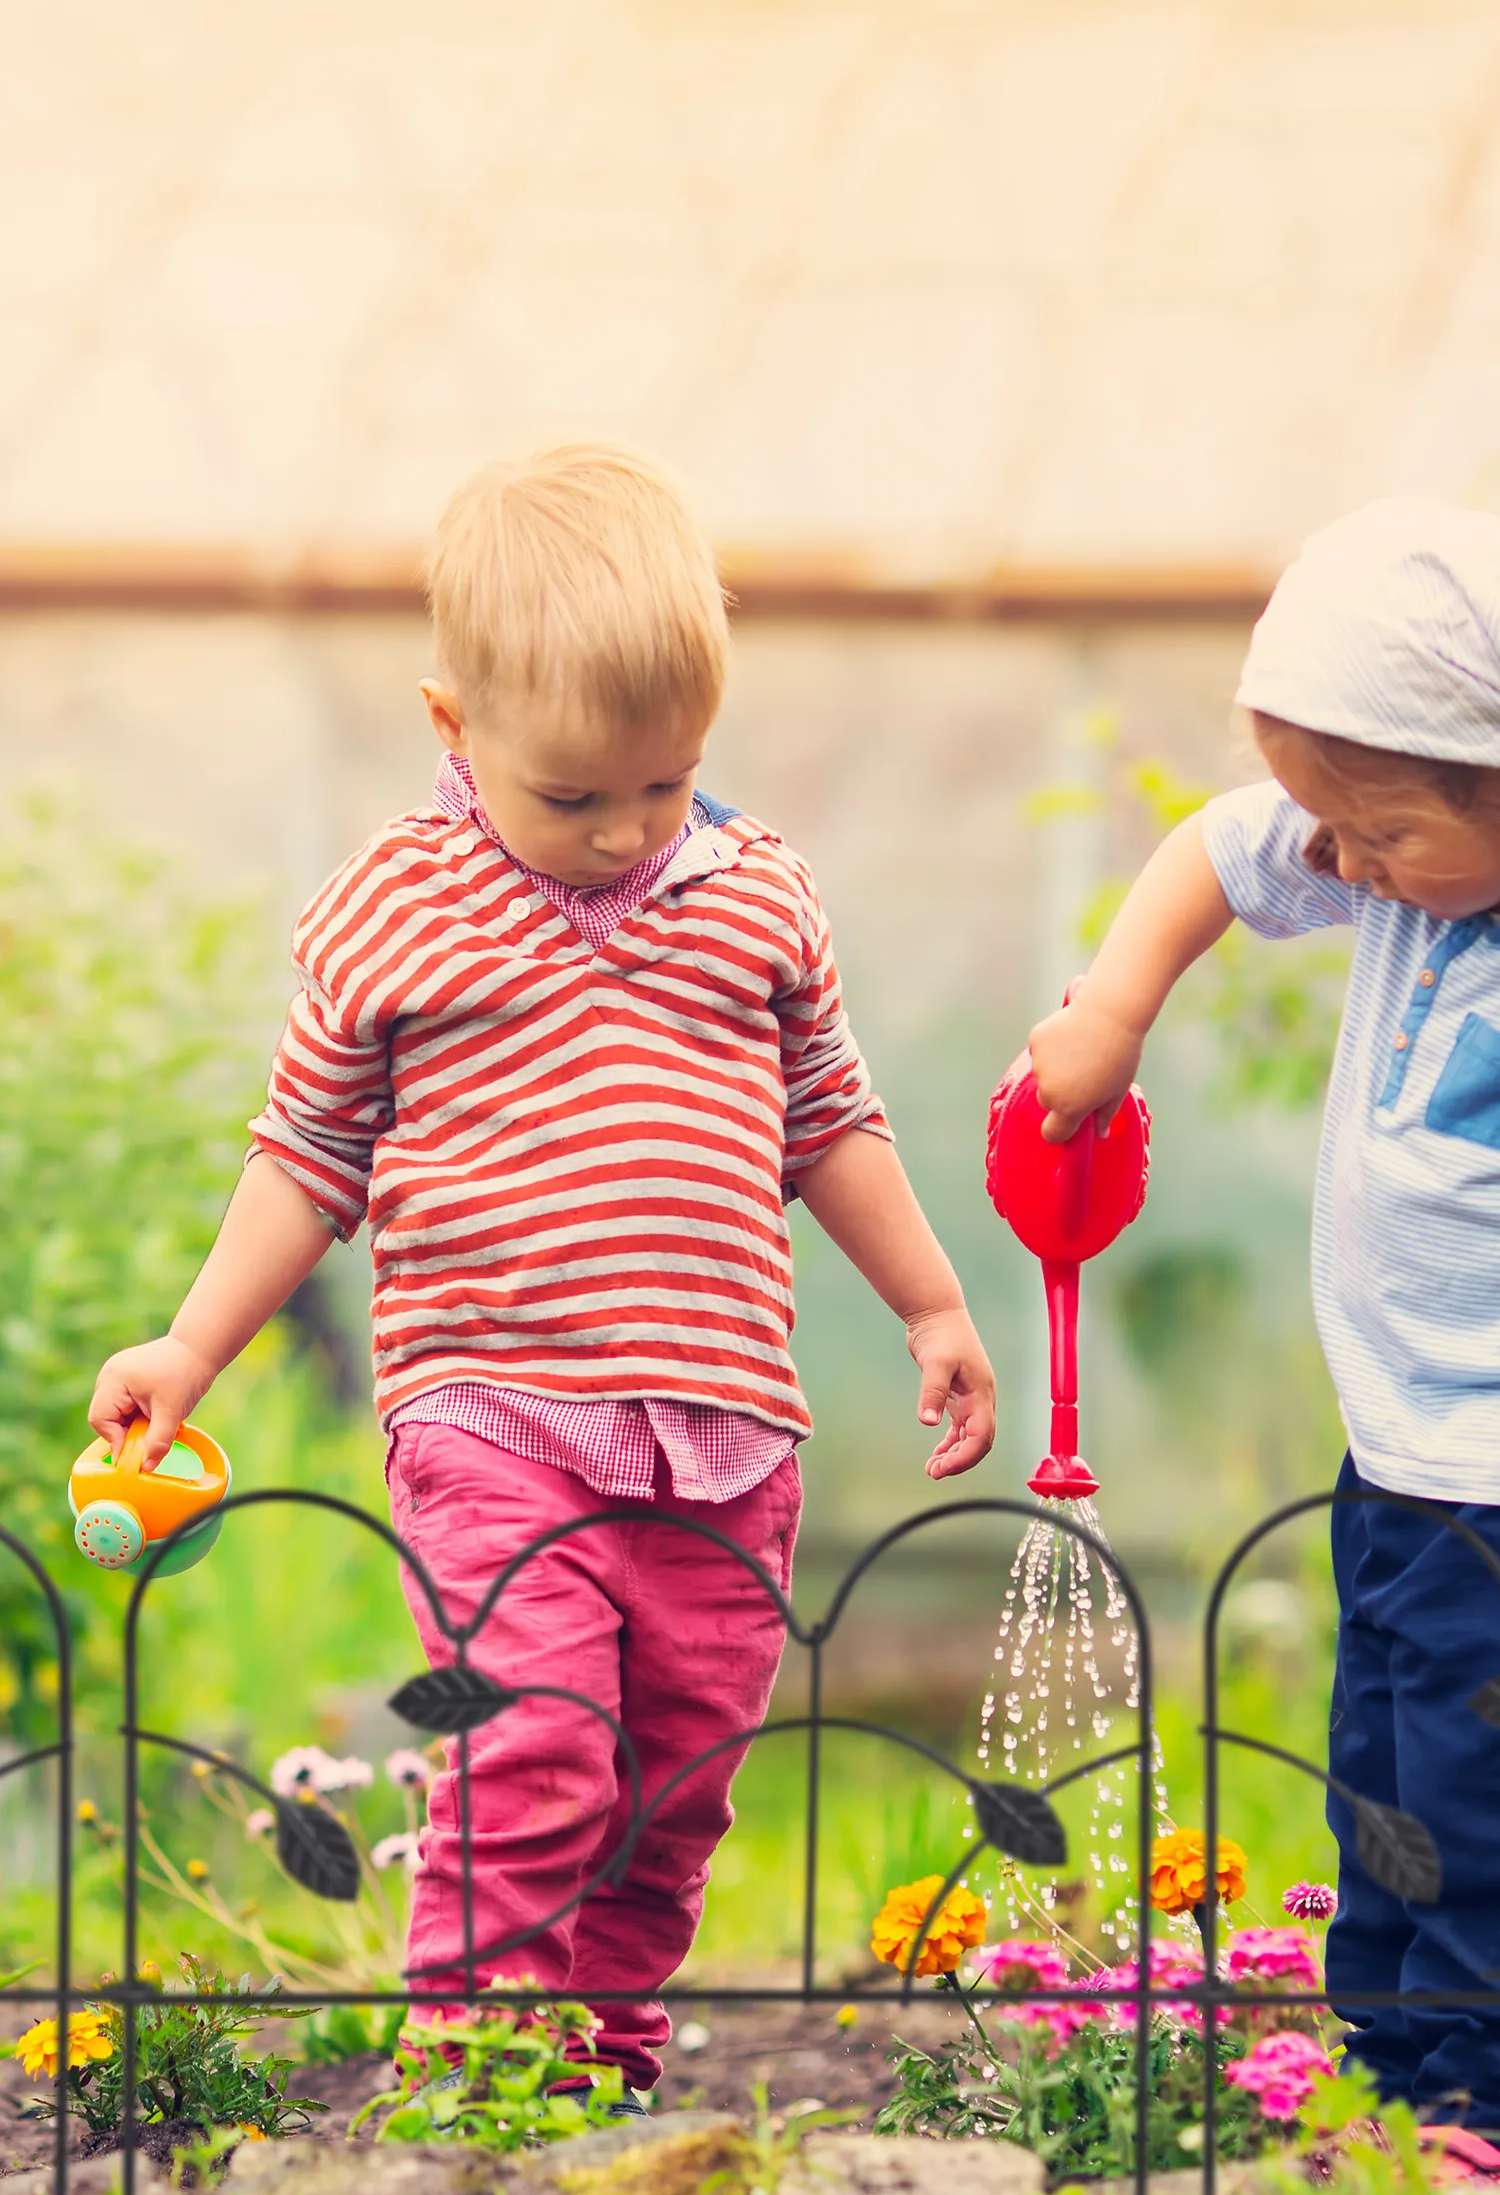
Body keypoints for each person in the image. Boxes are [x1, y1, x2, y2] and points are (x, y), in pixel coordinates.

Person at [90, 444, 996, 2103]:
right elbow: (307, 1157)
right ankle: (478, 2060)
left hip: (726, 1427)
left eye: (663, 785)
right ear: (454, 726)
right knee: (537, 1738)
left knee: (678, 1773)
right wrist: (193, 1345)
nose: (622, 832)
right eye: (571, 796)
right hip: (491, 1410)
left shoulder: (757, 900)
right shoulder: (396, 908)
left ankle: (605, 2049)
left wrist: (932, 1302)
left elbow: (832, 1122)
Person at [1027, 501, 1500, 2178]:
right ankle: (1397, 2068)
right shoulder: (1395, 855)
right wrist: (1109, 1014)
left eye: (1375, 832)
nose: (1341, 863)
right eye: (1335, 826)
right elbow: (1209, 856)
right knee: (1389, 1769)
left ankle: (1498, 2102)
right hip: (1405, 1453)